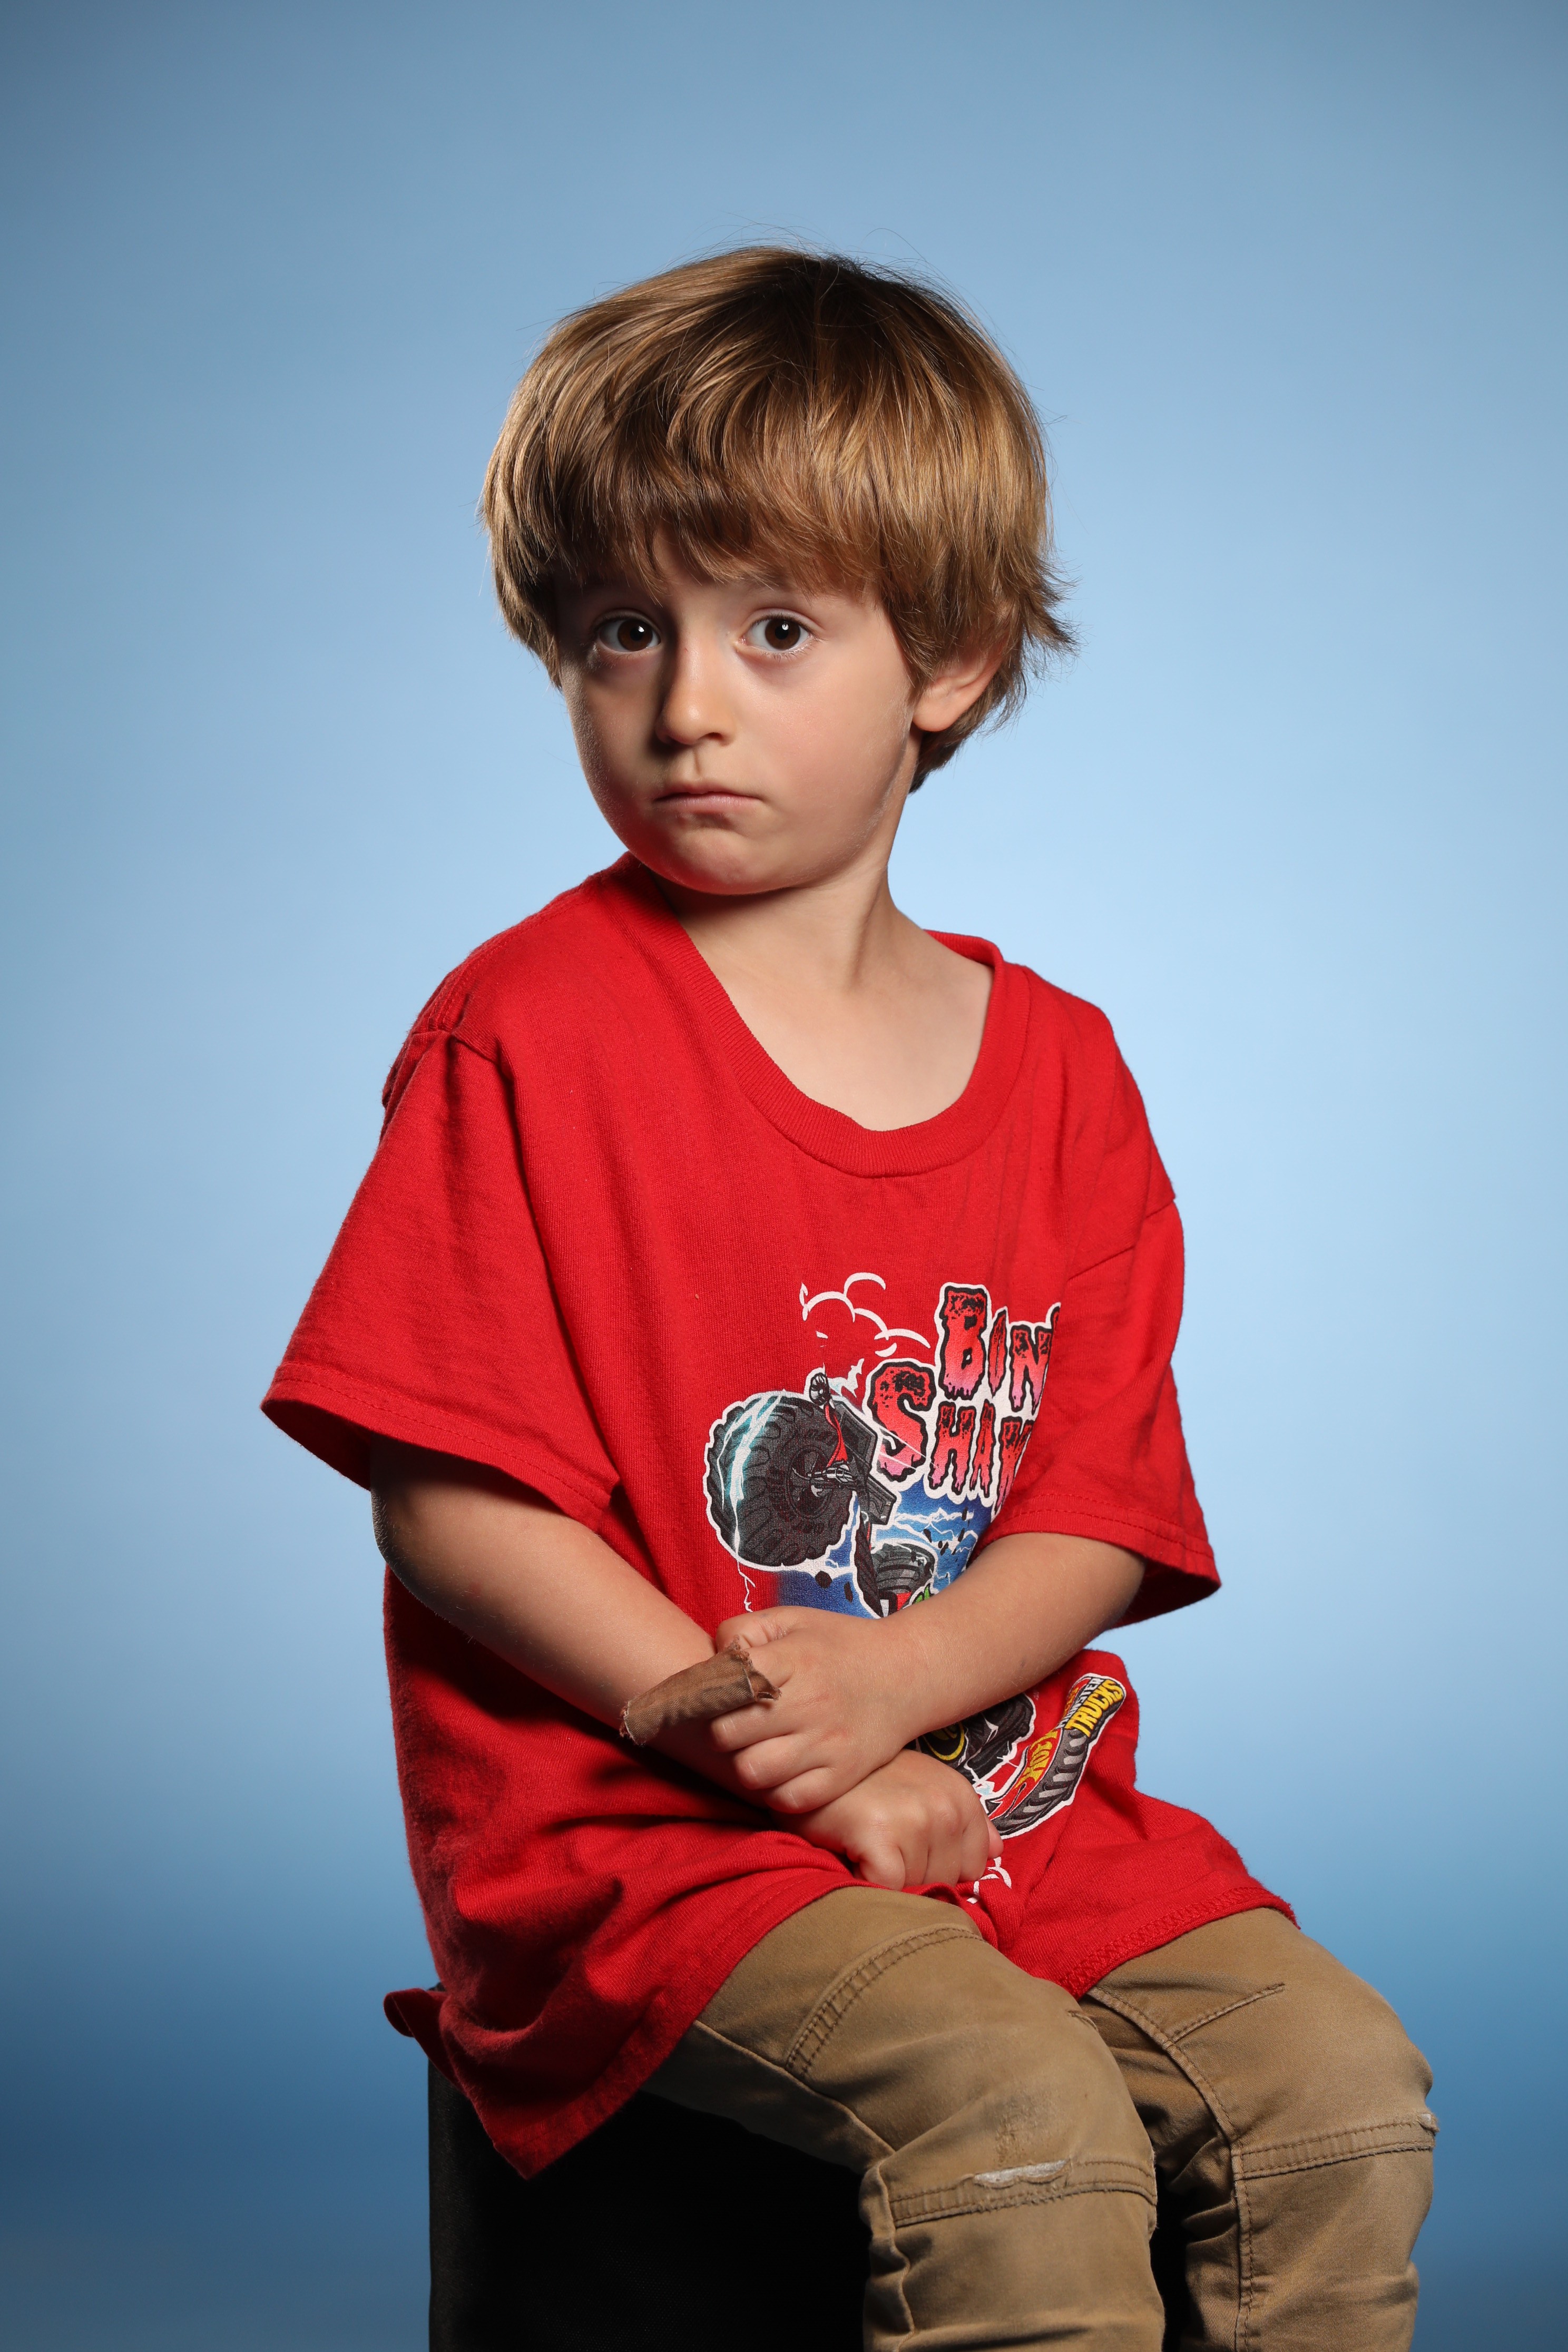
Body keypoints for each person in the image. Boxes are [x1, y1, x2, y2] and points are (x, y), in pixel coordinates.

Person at [263, 248, 1435, 2348]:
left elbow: (1097, 1512)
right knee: (1021, 2127)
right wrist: (773, 1740)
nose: (686, 704)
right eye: (623, 629)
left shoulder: (1062, 1070)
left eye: (776, 629)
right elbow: (445, 1495)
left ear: (951, 663)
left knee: (1336, 2099)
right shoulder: (524, 1031)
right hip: (645, 1847)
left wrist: (902, 1690)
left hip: (1017, 1808)